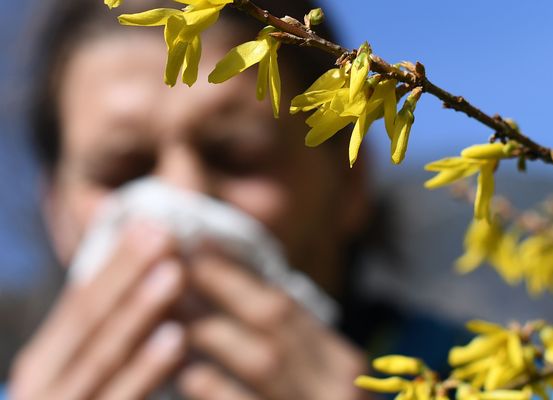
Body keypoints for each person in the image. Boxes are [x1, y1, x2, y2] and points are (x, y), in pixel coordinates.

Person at [5, 0, 465, 398]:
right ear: (56, 212)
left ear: (350, 182)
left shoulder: (489, 379)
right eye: (121, 172)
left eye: (239, 155)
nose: (180, 195)